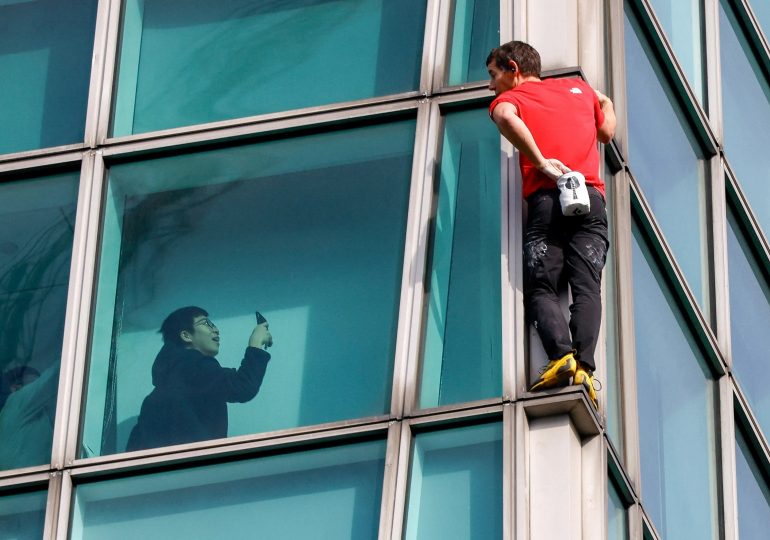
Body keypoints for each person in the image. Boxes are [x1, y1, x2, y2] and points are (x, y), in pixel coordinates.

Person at [486, 41, 616, 408]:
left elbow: (505, 117)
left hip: (548, 199)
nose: (491, 86)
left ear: (513, 68)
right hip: (590, 198)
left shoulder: (513, 99)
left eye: (494, 76)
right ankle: (585, 371)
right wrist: (603, 101)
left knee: (541, 285)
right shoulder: (580, 91)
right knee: (587, 287)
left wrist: (540, 161)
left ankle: (562, 357)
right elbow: (607, 131)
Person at [127, 306, 273, 451]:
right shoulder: (192, 365)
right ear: (186, 335)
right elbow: (242, 386)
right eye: (206, 323)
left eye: (213, 324)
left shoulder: (167, 381)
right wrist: (256, 343)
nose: (215, 329)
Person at [0, 364, 58, 469]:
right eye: (32, 385)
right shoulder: (17, 402)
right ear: (15, 388)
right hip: (26, 480)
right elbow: (53, 376)